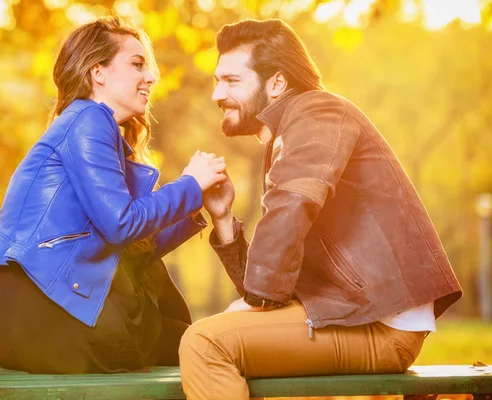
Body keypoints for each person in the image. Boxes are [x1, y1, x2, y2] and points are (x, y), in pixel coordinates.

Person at [178, 18, 462, 400]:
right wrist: (224, 219)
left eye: (231, 80)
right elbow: (271, 285)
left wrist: (255, 301)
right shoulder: (293, 132)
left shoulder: (318, 111)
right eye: (217, 80)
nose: (217, 93)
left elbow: (292, 204)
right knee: (218, 336)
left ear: (276, 83)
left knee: (204, 342)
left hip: (378, 324)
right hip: (349, 315)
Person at [0, 16, 227, 374]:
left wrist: (195, 203)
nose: (151, 77)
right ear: (98, 73)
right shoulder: (89, 119)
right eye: (136, 64)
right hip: (49, 309)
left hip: (32, 319)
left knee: (193, 343)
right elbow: (121, 225)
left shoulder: (87, 128)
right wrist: (190, 184)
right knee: (208, 349)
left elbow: (127, 245)